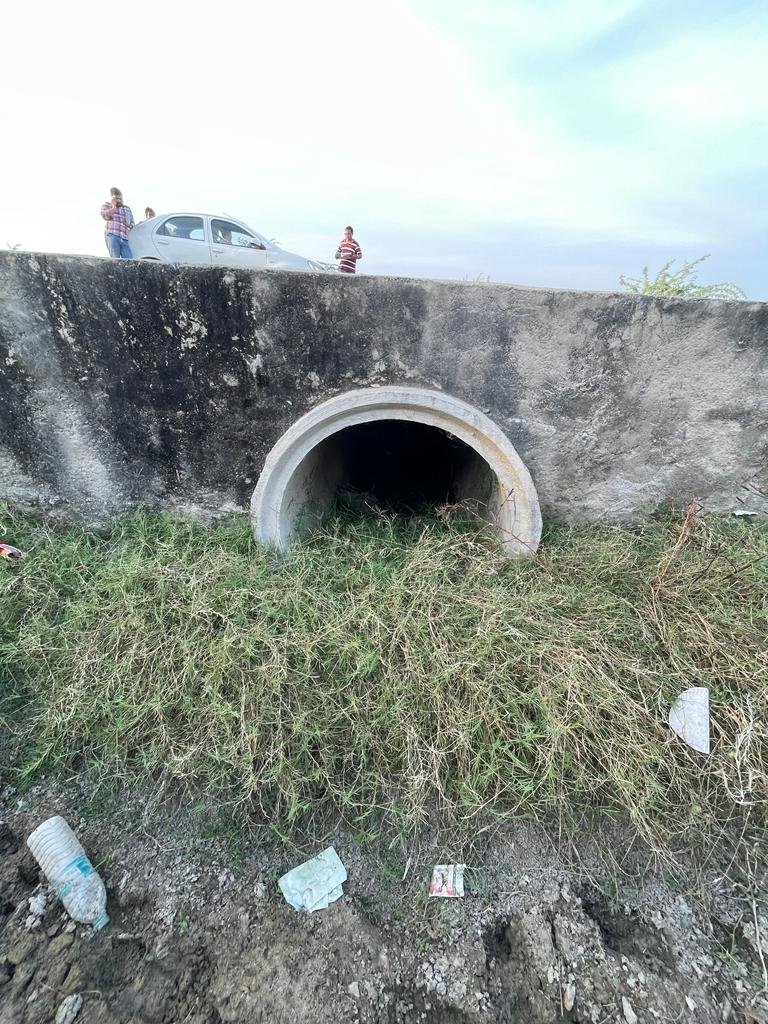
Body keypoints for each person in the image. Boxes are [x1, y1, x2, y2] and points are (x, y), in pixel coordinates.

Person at [100, 187, 135, 259]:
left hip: (125, 238)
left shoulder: (127, 208)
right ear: (112, 198)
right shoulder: (107, 205)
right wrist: (113, 207)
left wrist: (130, 225)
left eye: (120, 198)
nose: (119, 200)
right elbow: (104, 215)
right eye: (117, 198)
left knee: (129, 260)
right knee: (115, 259)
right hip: (113, 235)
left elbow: (132, 222)